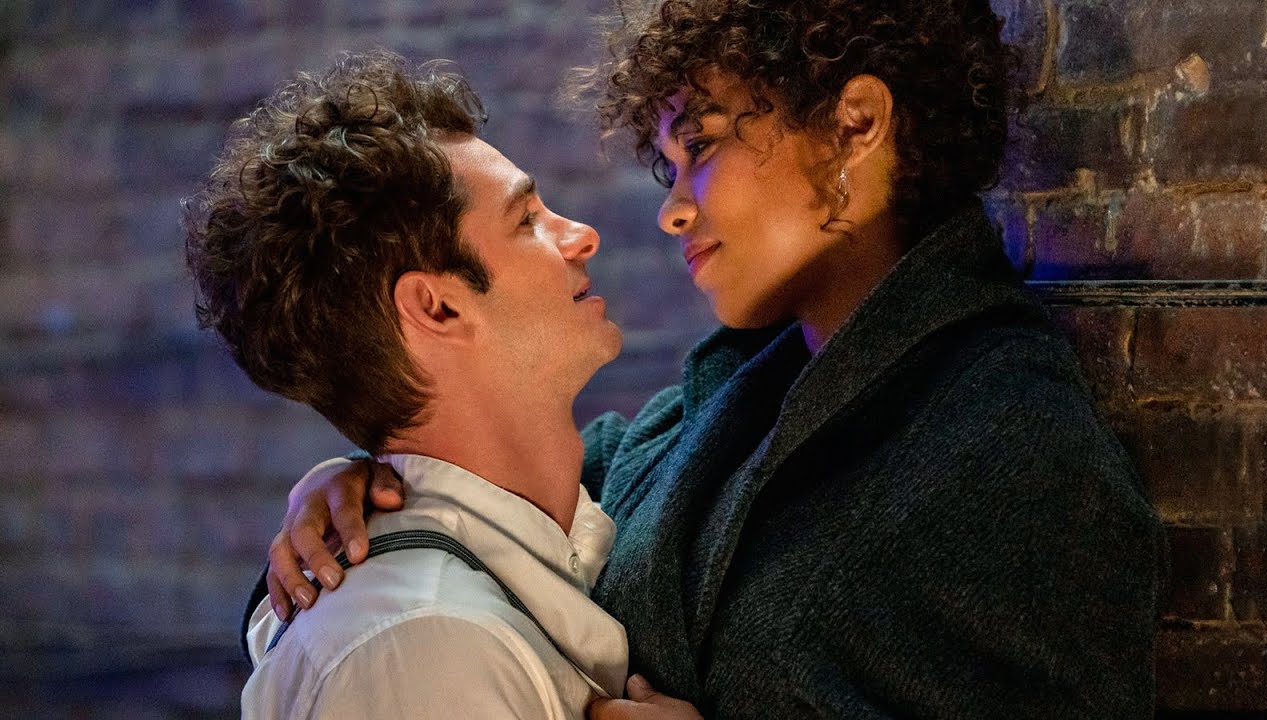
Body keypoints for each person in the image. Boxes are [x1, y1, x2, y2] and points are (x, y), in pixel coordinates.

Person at [260, 2, 1168, 718]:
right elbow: (488, 520)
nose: (674, 210)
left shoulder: (1011, 439)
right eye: (671, 165)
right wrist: (364, 491)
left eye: (699, 146)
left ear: (855, 124)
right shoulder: (716, 408)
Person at [184, 50, 701, 719]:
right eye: (526, 220)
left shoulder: (541, 552)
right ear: (438, 308)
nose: (581, 236)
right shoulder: (426, 644)